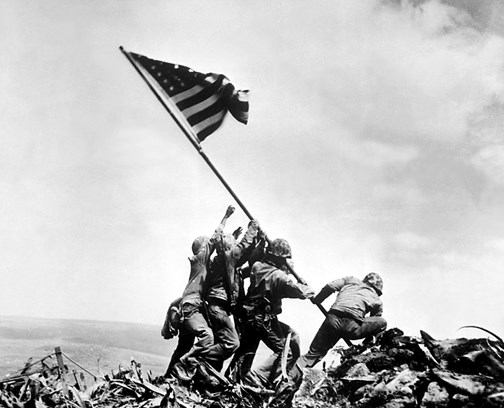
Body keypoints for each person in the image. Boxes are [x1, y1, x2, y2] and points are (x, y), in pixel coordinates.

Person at [228, 238, 315, 388]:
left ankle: (232, 378)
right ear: (281, 259)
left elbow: (252, 267)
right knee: (286, 351)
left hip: (248, 315)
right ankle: (259, 379)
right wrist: (305, 285)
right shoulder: (280, 277)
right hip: (263, 318)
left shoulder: (257, 266)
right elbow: (302, 293)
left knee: (249, 349)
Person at [169, 206, 235, 382]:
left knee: (184, 345)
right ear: (201, 249)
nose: (210, 247)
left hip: (193, 306)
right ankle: (186, 365)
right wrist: (225, 217)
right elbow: (214, 239)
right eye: (206, 245)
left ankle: (170, 376)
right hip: (192, 307)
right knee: (208, 337)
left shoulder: (202, 265)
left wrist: (232, 237)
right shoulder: (200, 260)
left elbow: (217, 245)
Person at [289, 273, 387, 384]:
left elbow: (330, 287)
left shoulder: (350, 280)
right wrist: (367, 343)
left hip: (332, 320)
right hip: (352, 327)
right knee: (382, 322)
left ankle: (288, 380)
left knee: (312, 355)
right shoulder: (377, 300)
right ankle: (366, 348)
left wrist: (318, 300)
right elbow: (374, 322)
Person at [203, 219, 261, 372]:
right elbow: (241, 249)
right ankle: (197, 358)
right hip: (218, 309)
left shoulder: (226, 264)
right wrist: (252, 229)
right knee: (231, 343)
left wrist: (259, 244)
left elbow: (247, 265)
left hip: (218, 309)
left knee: (220, 344)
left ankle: (208, 379)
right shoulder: (226, 257)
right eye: (232, 243)